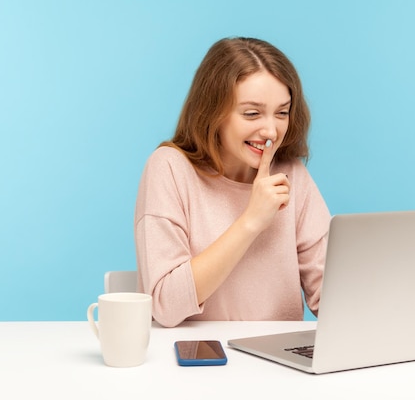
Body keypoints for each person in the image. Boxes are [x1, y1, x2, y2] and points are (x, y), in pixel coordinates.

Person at [134, 37, 331, 327]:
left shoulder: (292, 174)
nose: (271, 131)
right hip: (195, 357)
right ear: (213, 112)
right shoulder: (170, 168)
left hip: (277, 360)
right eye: (252, 113)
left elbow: (330, 293)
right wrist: (251, 221)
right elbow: (165, 304)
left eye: (282, 113)